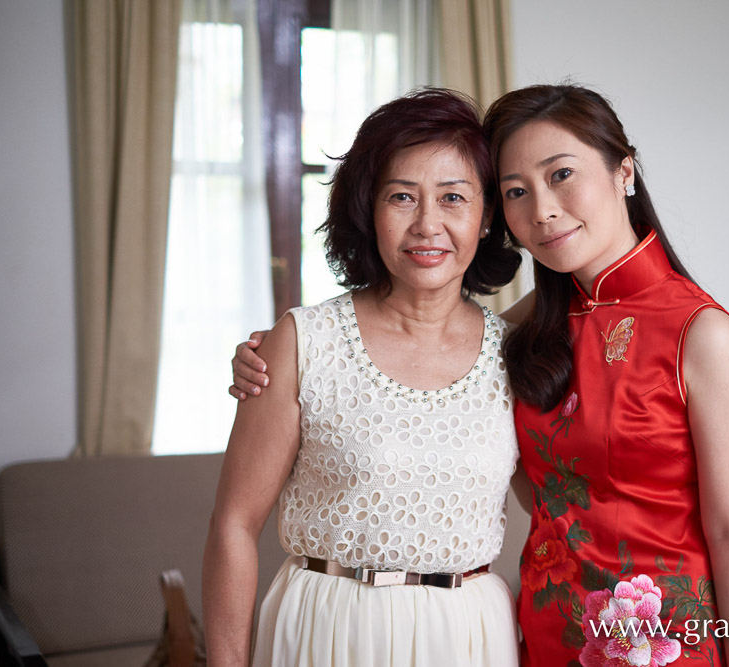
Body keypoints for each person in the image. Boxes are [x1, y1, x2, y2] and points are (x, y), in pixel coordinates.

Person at [232, 84, 729, 667]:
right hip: (539, 635)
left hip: (660, 642)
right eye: (517, 190)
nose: (542, 209)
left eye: (562, 174)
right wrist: (274, 351)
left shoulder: (702, 335)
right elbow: (427, 341)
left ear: (624, 172)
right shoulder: (523, 331)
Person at [204, 88, 523, 667]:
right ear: (368, 210)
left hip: (469, 637)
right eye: (402, 196)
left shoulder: (515, 354)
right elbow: (233, 525)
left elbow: (564, 504)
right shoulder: (305, 341)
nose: (428, 224)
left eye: (453, 197)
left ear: (486, 219)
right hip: (325, 629)